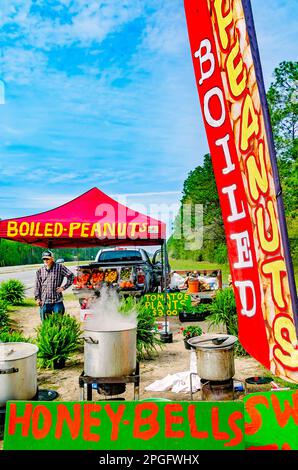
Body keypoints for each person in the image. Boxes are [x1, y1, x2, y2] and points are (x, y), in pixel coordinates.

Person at [34, 250, 75, 321]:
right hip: (44, 301)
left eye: (47, 258)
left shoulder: (60, 267)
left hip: (57, 301)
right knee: (46, 323)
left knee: (59, 322)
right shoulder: (40, 271)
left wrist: (63, 287)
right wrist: (37, 298)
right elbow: (37, 285)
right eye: (44, 259)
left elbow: (71, 276)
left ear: (52, 258)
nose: (45, 260)